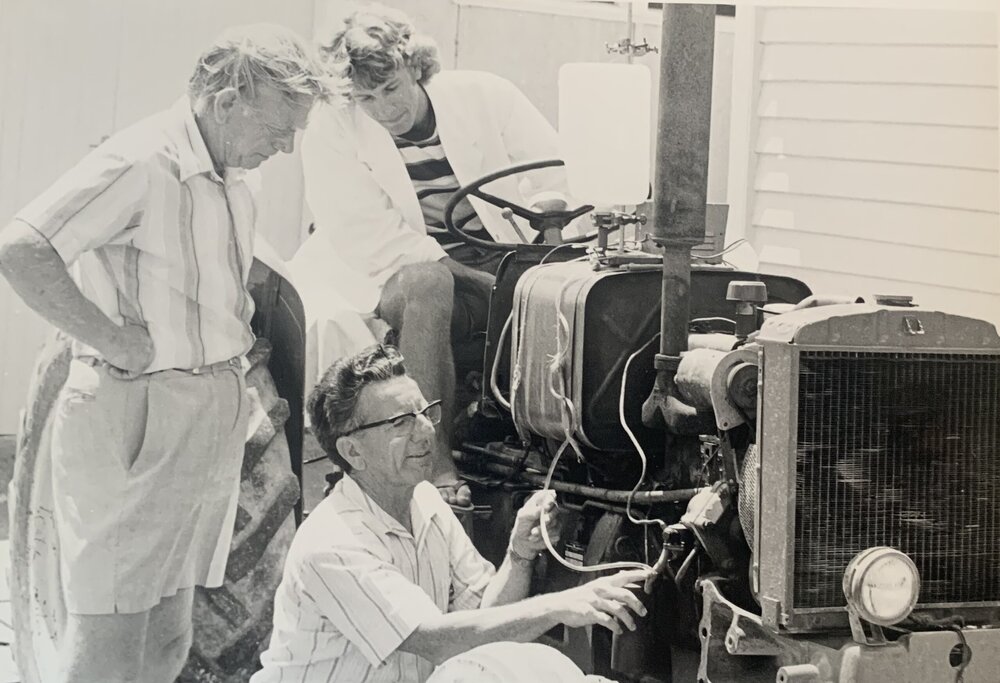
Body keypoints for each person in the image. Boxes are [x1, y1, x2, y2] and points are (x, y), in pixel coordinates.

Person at [0, 25, 334, 683]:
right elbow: (23, 248)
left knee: (166, 636)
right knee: (109, 645)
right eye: (279, 125)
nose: (288, 145)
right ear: (227, 98)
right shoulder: (141, 161)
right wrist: (113, 337)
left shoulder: (236, 176)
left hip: (208, 415)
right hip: (139, 412)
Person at [301, 4, 575, 508]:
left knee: (578, 295)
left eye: (391, 88)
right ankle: (435, 465)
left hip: (501, 252)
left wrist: (544, 235)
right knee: (430, 282)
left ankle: (565, 451)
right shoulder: (332, 127)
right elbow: (371, 236)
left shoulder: (485, 95)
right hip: (385, 269)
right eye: (366, 97)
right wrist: (483, 282)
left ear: (415, 66)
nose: (384, 109)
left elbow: (556, 175)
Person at [253, 344, 649, 683]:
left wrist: (518, 554)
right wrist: (563, 604)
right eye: (401, 421)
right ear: (352, 451)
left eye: (424, 412)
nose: (425, 430)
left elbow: (483, 620)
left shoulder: (423, 500)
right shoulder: (333, 543)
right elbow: (436, 641)